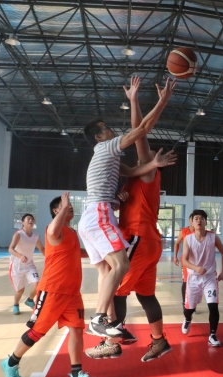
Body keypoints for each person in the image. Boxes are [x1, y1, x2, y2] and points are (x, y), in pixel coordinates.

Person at [85, 77, 178, 361]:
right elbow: (137, 140)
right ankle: (159, 341)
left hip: (138, 236)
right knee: (146, 295)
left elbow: (141, 134)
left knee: (117, 290)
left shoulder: (149, 174)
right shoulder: (136, 177)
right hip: (151, 242)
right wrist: (120, 199)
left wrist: (147, 101)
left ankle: (110, 341)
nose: (142, 155)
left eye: (145, 156)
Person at [1, 193, 99, 377]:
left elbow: (77, 252)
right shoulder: (53, 230)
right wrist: (65, 205)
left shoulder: (71, 233)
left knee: (77, 330)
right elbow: (54, 230)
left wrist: (102, 253)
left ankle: (76, 375)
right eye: (65, 206)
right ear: (56, 210)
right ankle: (11, 362)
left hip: (72, 293)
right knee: (38, 331)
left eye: (70, 205)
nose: (70, 207)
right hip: (52, 290)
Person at [181, 209, 223, 347]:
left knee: (213, 306)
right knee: (189, 309)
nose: (199, 221)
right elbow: (184, 260)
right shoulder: (188, 239)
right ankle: (187, 319)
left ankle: (212, 335)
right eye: (196, 218)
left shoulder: (213, 237)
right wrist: (195, 268)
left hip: (210, 278)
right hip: (194, 278)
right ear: (192, 222)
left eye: (202, 218)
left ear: (206, 222)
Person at [8, 214, 45, 315]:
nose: (30, 221)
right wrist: (20, 256)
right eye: (28, 219)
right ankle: (16, 304)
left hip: (29, 264)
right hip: (16, 266)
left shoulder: (36, 235)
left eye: (32, 219)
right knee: (20, 290)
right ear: (23, 222)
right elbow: (10, 249)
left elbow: (42, 248)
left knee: (37, 284)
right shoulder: (18, 234)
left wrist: (50, 257)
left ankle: (30, 300)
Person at [174, 216, 195, 309]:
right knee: (186, 281)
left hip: (197, 260)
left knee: (195, 282)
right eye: (195, 219)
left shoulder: (200, 231)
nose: (197, 221)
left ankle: (192, 303)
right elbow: (177, 243)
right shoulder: (184, 231)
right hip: (186, 260)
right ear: (190, 221)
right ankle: (184, 303)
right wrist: (175, 256)